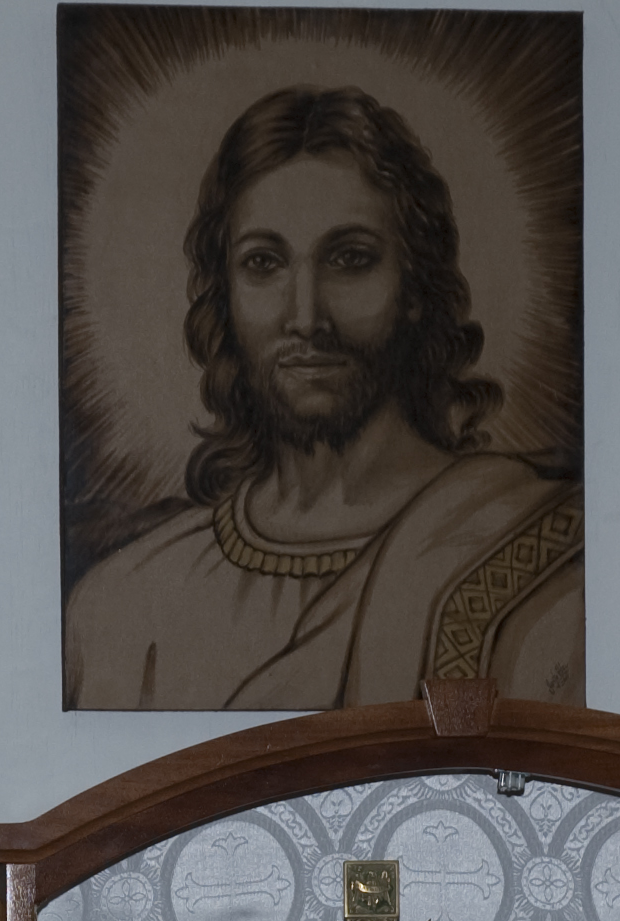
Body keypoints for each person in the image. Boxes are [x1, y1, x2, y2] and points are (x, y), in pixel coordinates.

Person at [64, 85, 582, 710]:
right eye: (263, 263)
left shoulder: (545, 571)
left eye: (351, 259)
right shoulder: (121, 608)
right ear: (225, 297)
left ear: (415, 288)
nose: (306, 317)